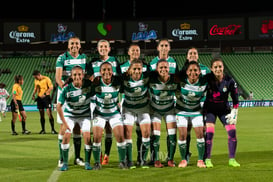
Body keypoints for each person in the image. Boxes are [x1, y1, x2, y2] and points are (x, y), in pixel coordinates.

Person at [86, 39, 121, 165]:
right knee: (97, 130)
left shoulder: (114, 61)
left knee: (109, 129)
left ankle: (106, 154)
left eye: (105, 46)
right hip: (96, 100)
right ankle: (98, 153)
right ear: (98, 48)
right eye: (101, 47)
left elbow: (118, 80)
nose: (103, 48)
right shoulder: (92, 62)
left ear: (109, 48)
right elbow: (89, 80)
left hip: (111, 98)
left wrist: (117, 99)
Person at [55, 36, 87, 167]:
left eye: (76, 44)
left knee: (78, 127)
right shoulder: (62, 58)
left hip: (79, 93)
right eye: (72, 44)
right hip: (65, 92)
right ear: (68, 46)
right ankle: (62, 158)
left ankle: (78, 157)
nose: (74, 46)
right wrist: (66, 90)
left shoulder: (84, 57)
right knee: (64, 126)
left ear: (80, 46)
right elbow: (58, 77)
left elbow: (85, 76)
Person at [203, 57, 240, 168]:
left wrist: (235, 112)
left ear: (223, 67)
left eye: (220, 66)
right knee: (209, 133)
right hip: (210, 110)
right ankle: (207, 159)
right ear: (211, 68)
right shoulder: (207, 79)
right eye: (215, 67)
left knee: (232, 132)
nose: (218, 69)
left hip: (224, 110)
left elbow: (235, 98)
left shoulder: (229, 81)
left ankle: (232, 159)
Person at [149, 38, 179, 165]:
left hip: (169, 106)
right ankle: (155, 159)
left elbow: (177, 81)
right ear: (158, 48)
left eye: (166, 45)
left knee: (172, 133)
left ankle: (170, 159)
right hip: (155, 106)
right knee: (154, 134)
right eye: (162, 45)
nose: (164, 48)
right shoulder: (151, 63)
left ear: (169, 48)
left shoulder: (174, 62)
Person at [91, 62, 126, 170]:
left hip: (114, 114)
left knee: (120, 136)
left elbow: (125, 93)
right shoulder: (95, 84)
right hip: (100, 114)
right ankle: (97, 162)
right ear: (100, 72)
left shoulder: (118, 82)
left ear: (112, 71)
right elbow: (91, 100)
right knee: (96, 136)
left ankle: (122, 162)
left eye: (109, 69)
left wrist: (121, 105)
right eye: (104, 70)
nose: (107, 72)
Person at [57, 66, 92, 171]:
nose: (77, 77)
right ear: (71, 76)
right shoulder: (66, 89)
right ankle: (65, 163)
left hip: (84, 115)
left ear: (83, 75)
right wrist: (64, 123)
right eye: (75, 75)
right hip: (70, 115)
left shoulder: (89, 86)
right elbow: (58, 106)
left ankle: (87, 162)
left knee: (87, 136)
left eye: (79, 74)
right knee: (66, 136)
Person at [120, 43, 149, 165]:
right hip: (128, 106)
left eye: (137, 50)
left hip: (143, 107)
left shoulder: (148, 72)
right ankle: (128, 160)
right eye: (133, 50)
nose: (135, 52)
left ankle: (142, 159)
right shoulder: (122, 72)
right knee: (127, 132)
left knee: (145, 132)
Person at [182, 47, 211, 163]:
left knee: (202, 130)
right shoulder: (183, 71)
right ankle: (187, 153)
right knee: (186, 130)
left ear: (198, 56)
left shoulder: (205, 70)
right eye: (190, 53)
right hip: (187, 104)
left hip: (202, 103)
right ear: (187, 56)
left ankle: (204, 155)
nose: (193, 55)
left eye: (195, 53)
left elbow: (211, 86)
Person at [175, 61, 207, 168]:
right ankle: (183, 159)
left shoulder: (204, 83)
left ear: (199, 72)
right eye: (190, 70)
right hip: (181, 111)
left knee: (200, 133)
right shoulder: (181, 81)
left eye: (195, 70)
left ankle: (200, 160)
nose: (193, 73)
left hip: (196, 111)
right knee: (183, 135)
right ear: (187, 72)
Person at [32, 70, 57, 134]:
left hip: (46, 98)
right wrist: (33, 95)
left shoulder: (46, 79)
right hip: (39, 98)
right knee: (41, 114)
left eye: (36, 77)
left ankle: (53, 129)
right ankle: (43, 130)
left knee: (49, 113)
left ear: (39, 75)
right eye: (35, 78)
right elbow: (35, 88)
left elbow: (51, 87)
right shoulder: (36, 81)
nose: (35, 78)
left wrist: (45, 94)